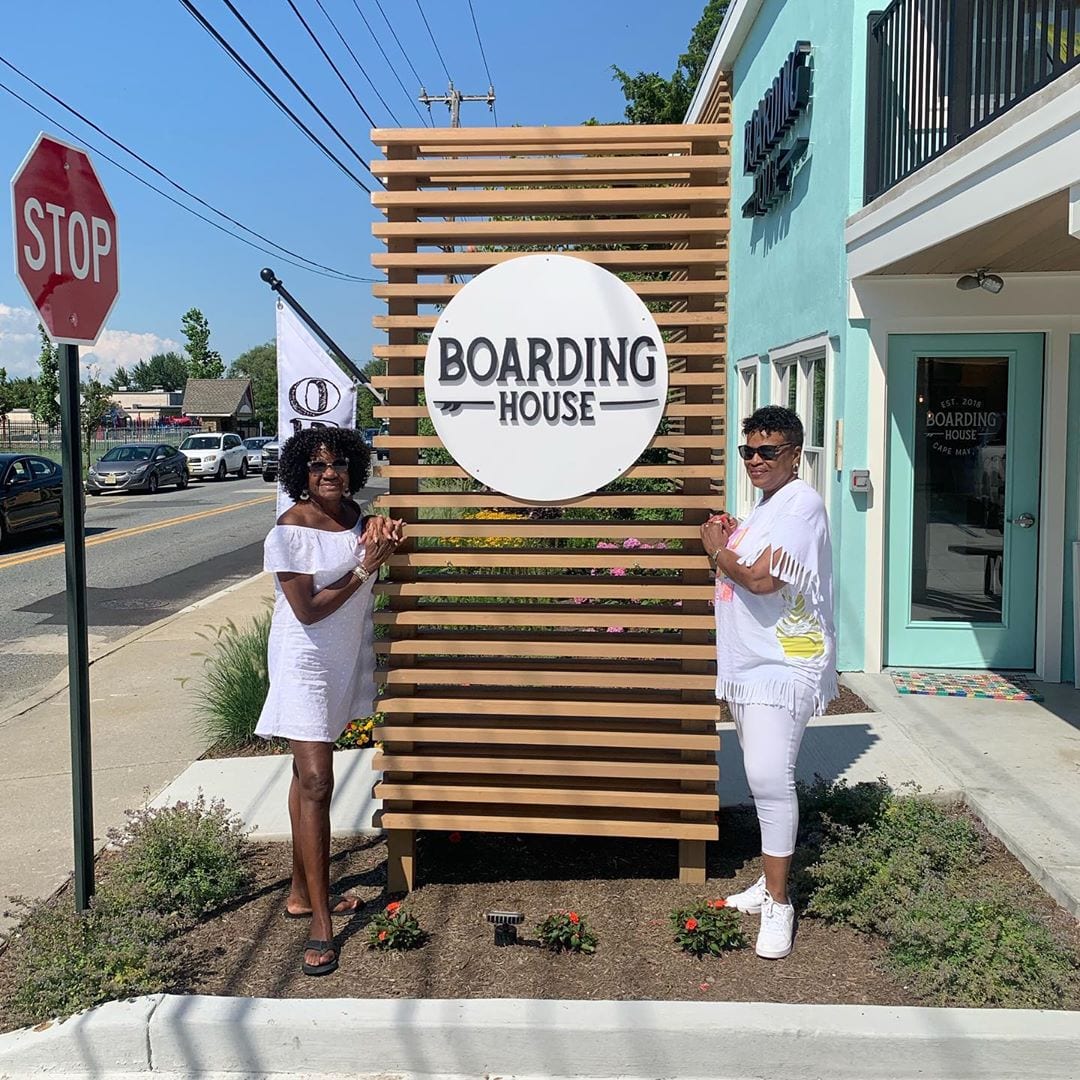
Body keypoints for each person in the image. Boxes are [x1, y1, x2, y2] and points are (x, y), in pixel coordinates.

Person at [255, 427, 403, 977]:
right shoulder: (290, 528)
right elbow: (310, 610)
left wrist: (386, 535)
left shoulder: (358, 520)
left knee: (305, 775)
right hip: (302, 658)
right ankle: (321, 922)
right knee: (318, 779)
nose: (330, 473)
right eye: (317, 466)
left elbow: (380, 542)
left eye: (339, 463)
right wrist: (366, 566)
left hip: (342, 659)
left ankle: (299, 892)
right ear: (302, 473)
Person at [701, 405, 837, 960]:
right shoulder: (770, 507)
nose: (756, 460)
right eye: (748, 450)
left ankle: (780, 902)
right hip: (753, 663)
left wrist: (715, 549)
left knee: (768, 776)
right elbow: (754, 560)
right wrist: (733, 538)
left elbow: (759, 579)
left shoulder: (802, 507)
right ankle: (767, 882)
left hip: (783, 667)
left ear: (795, 455)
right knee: (763, 780)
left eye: (769, 451)